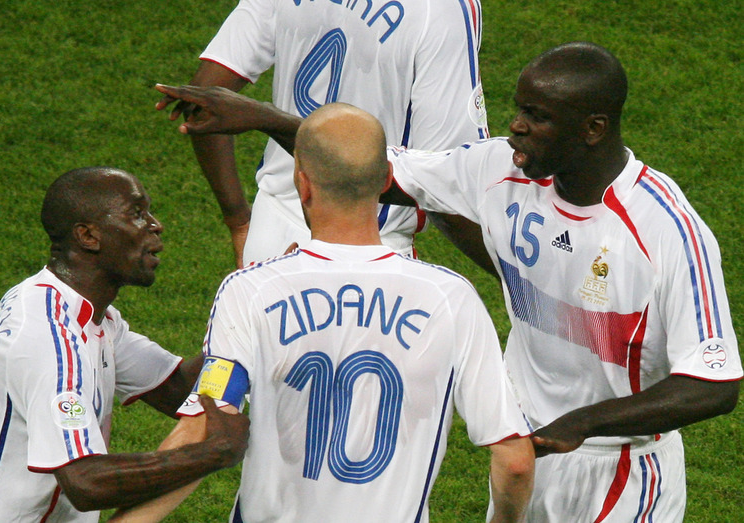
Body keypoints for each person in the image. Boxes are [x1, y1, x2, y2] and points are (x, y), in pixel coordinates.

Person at [152, 41, 742, 521]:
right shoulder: (502, 169)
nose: (516, 126)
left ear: (593, 128)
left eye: (537, 117)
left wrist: (583, 424)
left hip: (622, 471)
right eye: (519, 108)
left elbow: (713, 384)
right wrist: (262, 117)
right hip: (530, 452)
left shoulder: (665, 231)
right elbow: (373, 173)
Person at [119, 103, 534, 522]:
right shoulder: (450, 297)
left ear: (302, 184)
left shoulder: (251, 290)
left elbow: (205, 425)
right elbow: (515, 460)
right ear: (386, 181)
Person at [0, 167, 249, 522]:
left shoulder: (90, 315)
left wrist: (245, 315)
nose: (156, 225)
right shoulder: (47, 336)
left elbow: (179, 389)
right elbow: (85, 482)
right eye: (137, 214)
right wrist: (212, 454)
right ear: (88, 236)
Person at [157, 0, 492, 270]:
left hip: (270, 236)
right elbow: (452, 176)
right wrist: (514, 274)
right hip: (367, 250)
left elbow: (204, 95)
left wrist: (239, 220)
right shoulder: (443, 8)